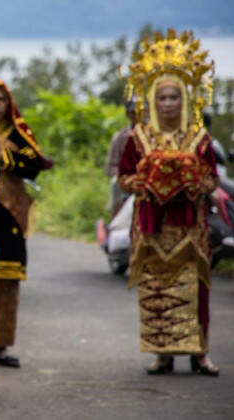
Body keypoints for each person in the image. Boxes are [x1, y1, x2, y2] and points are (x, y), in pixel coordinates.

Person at [118, 29, 219, 376]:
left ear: (186, 99)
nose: (168, 104)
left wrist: (192, 180)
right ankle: (162, 355)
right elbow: (124, 177)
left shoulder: (199, 138)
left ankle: (200, 354)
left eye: (175, 97)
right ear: (151, 100)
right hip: (152, 228)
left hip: (190, 228)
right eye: (162, 98)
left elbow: (213, 180)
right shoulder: (139, 137)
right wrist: (147, 180)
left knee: (195, 289)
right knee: (157, 290)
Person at [0, 77, 53, 368]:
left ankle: (0, 347)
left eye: (1, 99)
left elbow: (35, 164)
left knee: (6, 281)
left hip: (10, 215)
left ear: (9, 104)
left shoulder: (18, 133)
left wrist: (2, 155)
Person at [106, 98, 138, 215]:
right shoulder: (120, 137)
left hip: (149, 177)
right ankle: (115, 219)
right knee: (115, 182)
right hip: (126, 176)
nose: (138, 115)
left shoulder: (155, 134)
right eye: (134, 112)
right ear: (128, 115)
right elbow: (110, 166)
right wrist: (123, 175)